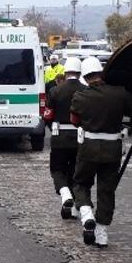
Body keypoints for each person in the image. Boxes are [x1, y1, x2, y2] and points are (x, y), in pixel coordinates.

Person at [70, 55, 132, 248]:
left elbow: (75, 121)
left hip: (88, 148)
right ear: (101, 73)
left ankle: (86, 215)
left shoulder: (80, 96)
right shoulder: (120, 93)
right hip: (113, 148)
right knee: (106, 190)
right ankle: (102, 233)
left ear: (85, 77)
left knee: (80, 183)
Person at [43, 56, 84, 218]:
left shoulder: (55, 91)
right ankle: (73, 206)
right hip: (79, 138)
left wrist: (53, 128)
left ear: (65, 72)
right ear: (80, 73)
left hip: (59, 136)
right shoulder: (85, 90)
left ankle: (65, 194)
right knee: (75, 171)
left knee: (57, 169)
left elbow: (47, 116)